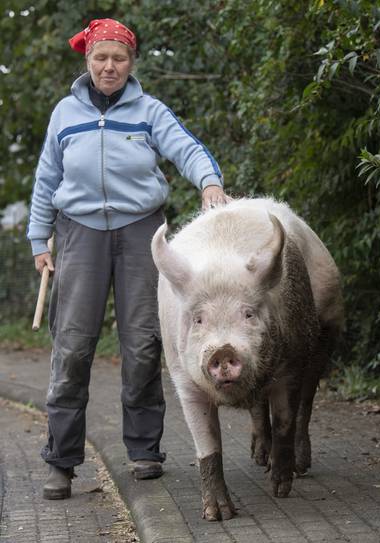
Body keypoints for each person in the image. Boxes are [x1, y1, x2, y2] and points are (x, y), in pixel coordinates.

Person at [27, 18, 230, 500]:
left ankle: (144, 450)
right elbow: (44, 181)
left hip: (142, 232)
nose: (109, 66)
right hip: (78, 235)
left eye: (119, 58)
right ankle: (61, 460)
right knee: (72, 348)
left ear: (131, 63)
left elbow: (188, 149)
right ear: (88, 61)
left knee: (142, 343)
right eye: (101, 57)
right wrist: (40, 241)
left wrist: (211, 183)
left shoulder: (149, 111)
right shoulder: (64, 114)